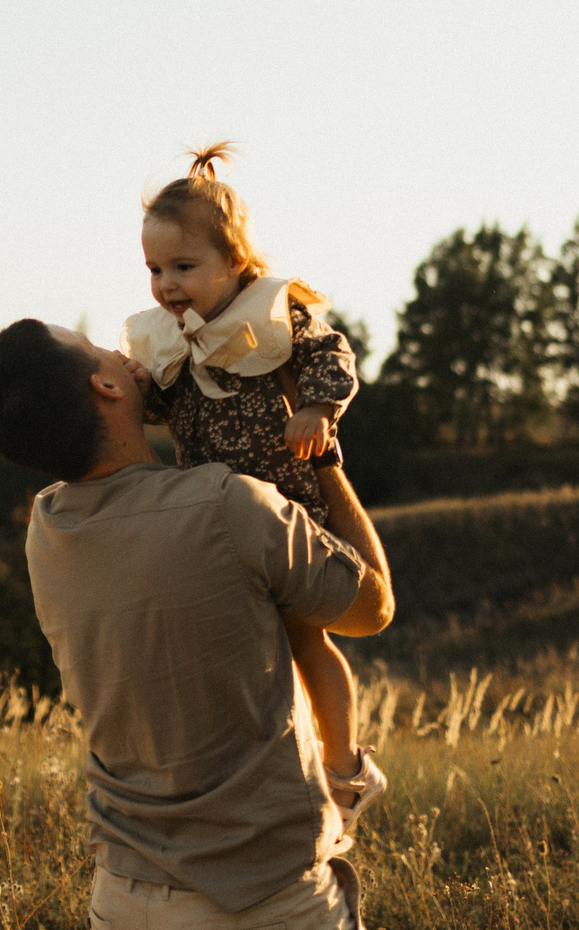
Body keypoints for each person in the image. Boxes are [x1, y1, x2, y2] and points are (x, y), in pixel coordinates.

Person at [0, 317, 403, 930]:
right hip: (262, 920)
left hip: (127, 921)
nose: (123, 345)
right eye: (102, 344)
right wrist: (321, 450)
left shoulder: (48, 530)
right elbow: (371, 605)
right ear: (106, 384)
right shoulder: (227, 505)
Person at [124, 144, 389, 831]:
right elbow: (152, 407)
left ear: (236, 261)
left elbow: (333, 353)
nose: (167, 284)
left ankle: (343, 766)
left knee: (307, 641)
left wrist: (319, 409)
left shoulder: (272, 315)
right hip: (213, 520)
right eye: (155, 269)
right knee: (242, 648)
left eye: (185, 267)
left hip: (289, 510)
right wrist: (136, 387)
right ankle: (266, 770)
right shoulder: (167, 340)